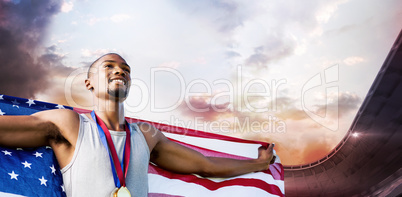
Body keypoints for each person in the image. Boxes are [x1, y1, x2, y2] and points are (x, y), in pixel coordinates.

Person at [0, 53, 276, 197]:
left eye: (126, 70)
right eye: (108, 67)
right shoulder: (69, 124)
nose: (120, 71)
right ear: (89, 83)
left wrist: (259, 165)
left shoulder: (146, 136)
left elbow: (205, 165)